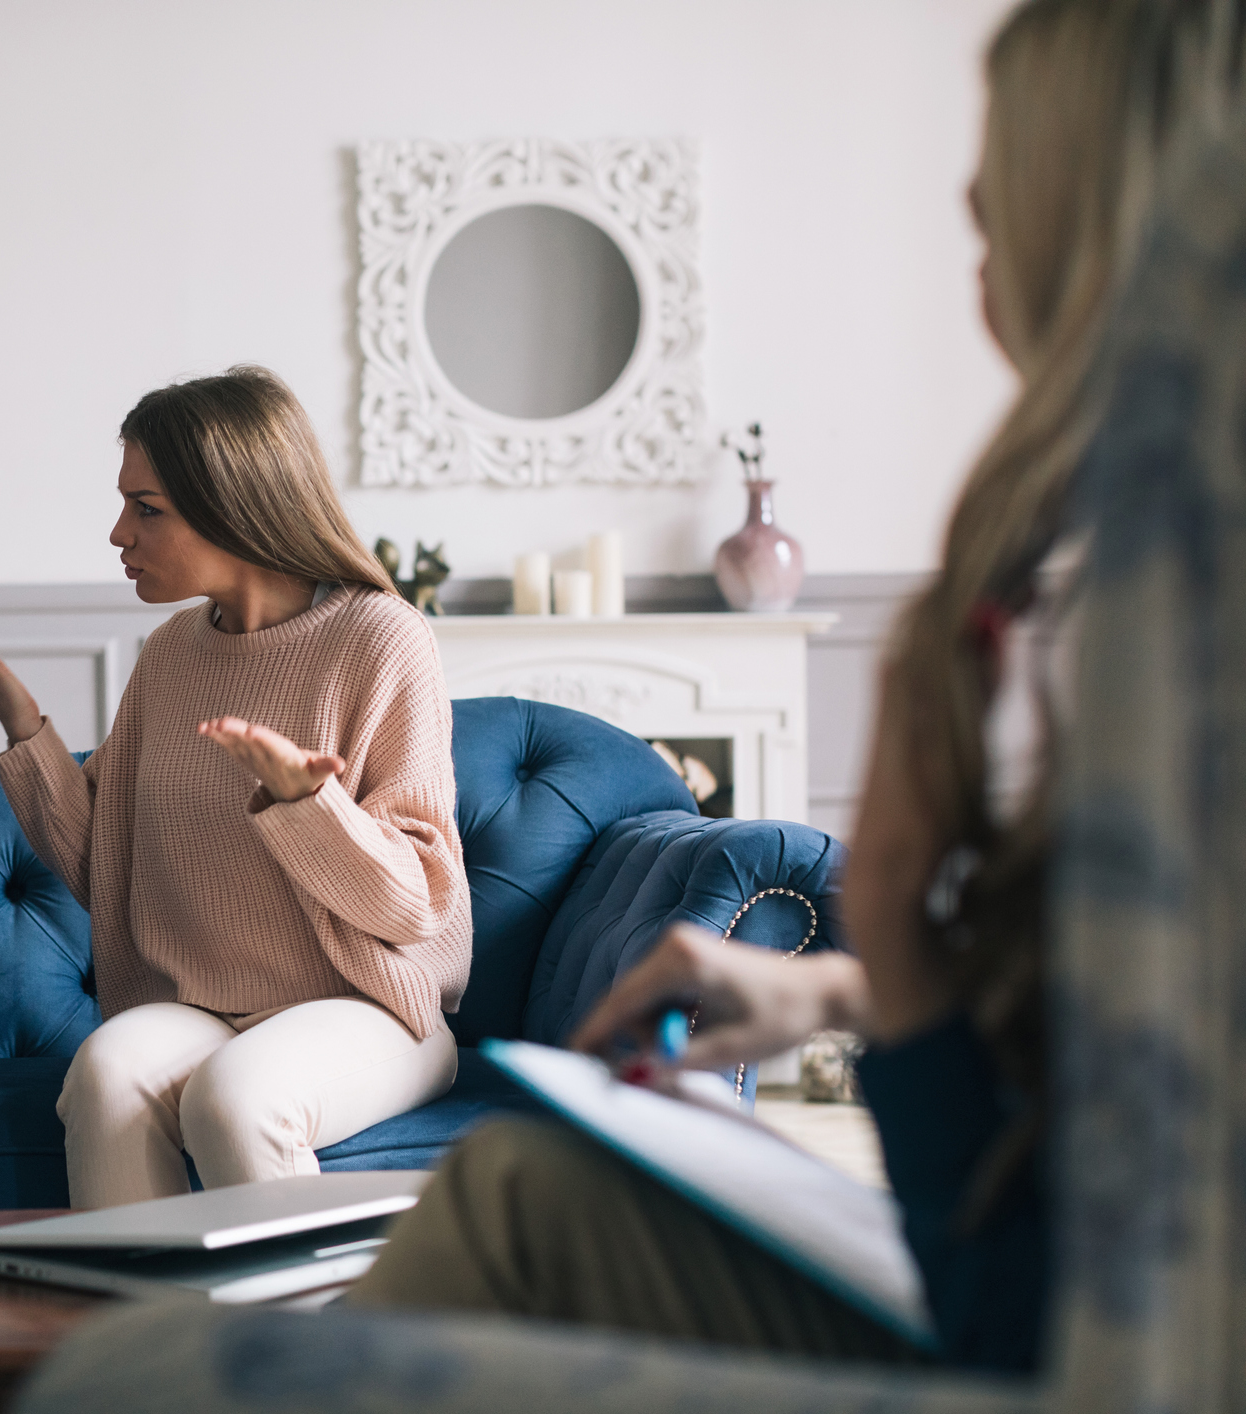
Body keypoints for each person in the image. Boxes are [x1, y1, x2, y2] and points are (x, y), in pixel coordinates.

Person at [344, 0, 1246, 1373]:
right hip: (1020, 1263)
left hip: (1052, 1328)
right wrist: (836, 995)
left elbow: (1047, 1310)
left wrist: (893, 912)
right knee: (508, 1190)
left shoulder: (1167, 597)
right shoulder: (1111, 538)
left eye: (1010, 153)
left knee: (135, 1372)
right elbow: (1125, 1044)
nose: (964, 193)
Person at [0, 366, 472, 1209]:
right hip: (203, 1004)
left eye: (146, 508)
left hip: (372, 1007)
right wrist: (23, 723)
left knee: (239, 1099)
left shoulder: (380, 639)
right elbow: (106, 867)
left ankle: (301, 1344)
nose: (117, 533)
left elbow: (413, 906)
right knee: (104, 1074)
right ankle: (146, 1335)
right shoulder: (170, 653)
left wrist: (303, 807)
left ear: (232, 503)